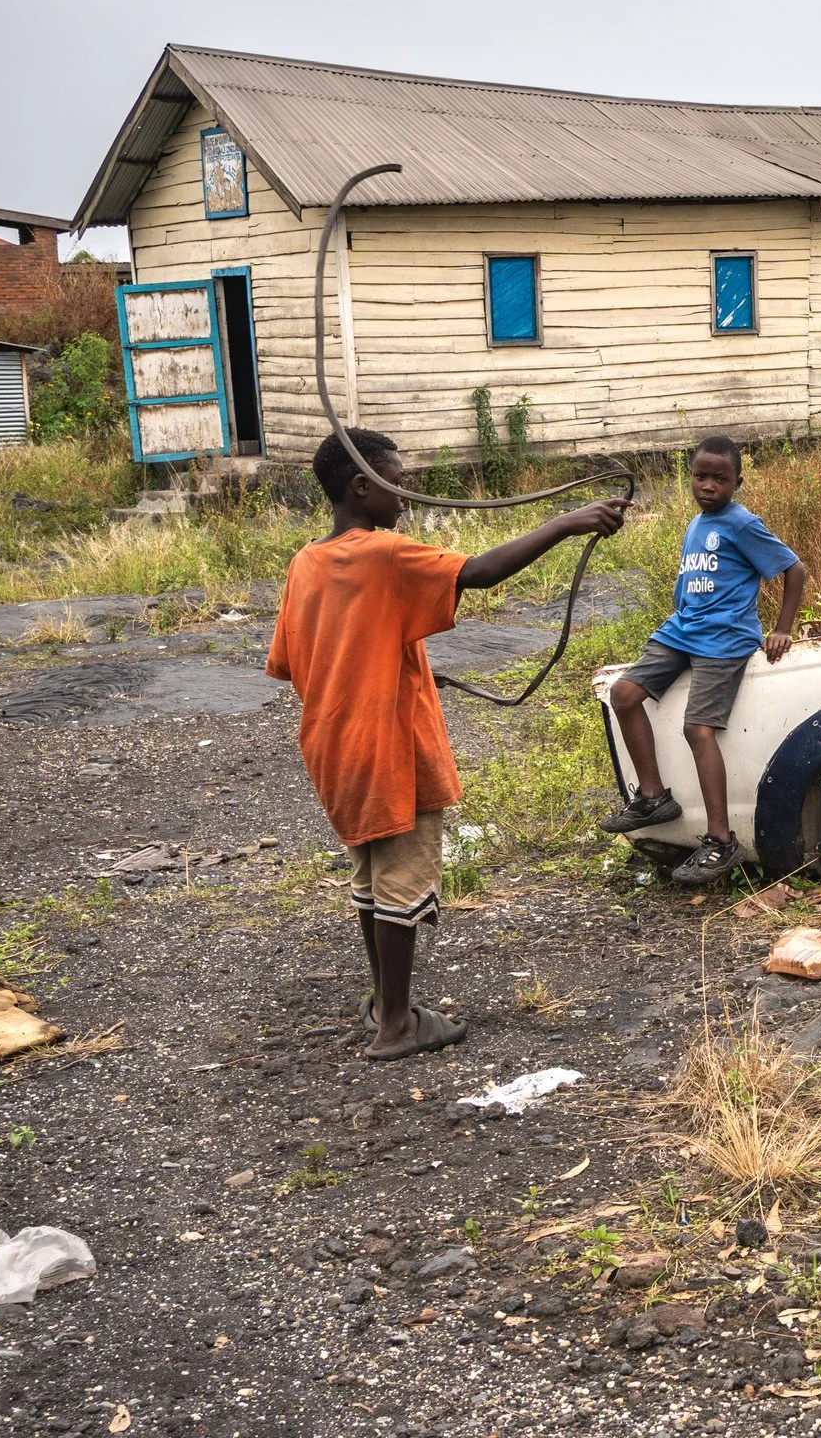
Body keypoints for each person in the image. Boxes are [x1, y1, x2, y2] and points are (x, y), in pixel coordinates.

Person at [267, 429, 627, 1060]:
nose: (404, 497)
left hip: (335, 745)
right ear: (362, 486)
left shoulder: (306, 563)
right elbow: (479, 573)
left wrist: (389, 662)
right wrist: (568, 523)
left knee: (372, 877)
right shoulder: (380, 552)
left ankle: (387, 1002)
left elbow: (300, 661)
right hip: (386, 747)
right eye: (396, 482)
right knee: (403, 880)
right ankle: (398, 1028)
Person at [599, 434, 807, 885]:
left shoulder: (743, 523)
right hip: (683, 630)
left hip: (724, 638)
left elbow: (794, 569)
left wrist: (782, 628)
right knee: (624, 694)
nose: (708, 486)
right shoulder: (698, 523)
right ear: (690, 477)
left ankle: (720, 839)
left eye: (720, 479)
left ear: (737, 482)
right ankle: (653, 796)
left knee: (698, 728)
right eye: (700, 477)